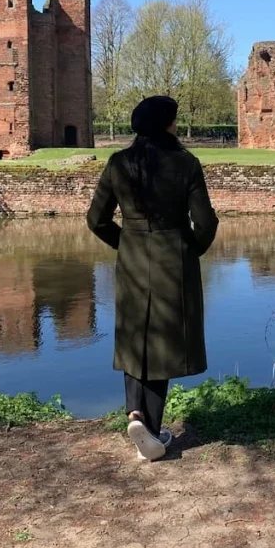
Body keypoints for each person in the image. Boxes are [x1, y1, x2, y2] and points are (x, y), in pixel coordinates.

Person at [86, 96, 219, 461]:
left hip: (131, 259)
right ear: (165, 125)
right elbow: (205, 222)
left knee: (135, 334)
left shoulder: (118, 163)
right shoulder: (185, 163)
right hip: (171, 260)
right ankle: (153, 428)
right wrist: (190, 250)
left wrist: (125, 243)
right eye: (174, 121)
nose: (177, 126)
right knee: (161, 341)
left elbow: (96, 219)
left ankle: (135, 414)